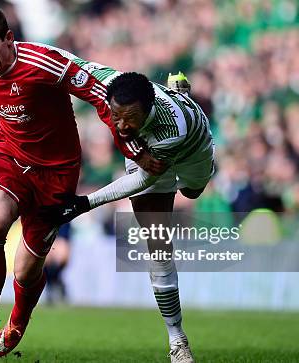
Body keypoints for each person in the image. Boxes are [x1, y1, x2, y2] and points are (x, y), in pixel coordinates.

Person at [0, 5, 164, 359]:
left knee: (26, 269)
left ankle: (18, 321)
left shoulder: (44, 63)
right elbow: (17, 111)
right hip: (11, 157)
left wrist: (131, 148)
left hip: (56, 173)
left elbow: (104, 96)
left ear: (9, 38)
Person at [42, 69, 214, 363]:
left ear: (148, 109)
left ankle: (182, 98)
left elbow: (143, 180)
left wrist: (85, 203)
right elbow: (72, 64)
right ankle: (177, 339)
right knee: (158, 247)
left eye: (129, 117)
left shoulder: (174, 129)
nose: (120, 124)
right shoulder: (113, 88)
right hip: (146, 149)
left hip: (192, 151)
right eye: (115, 115)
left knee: (192, 192)